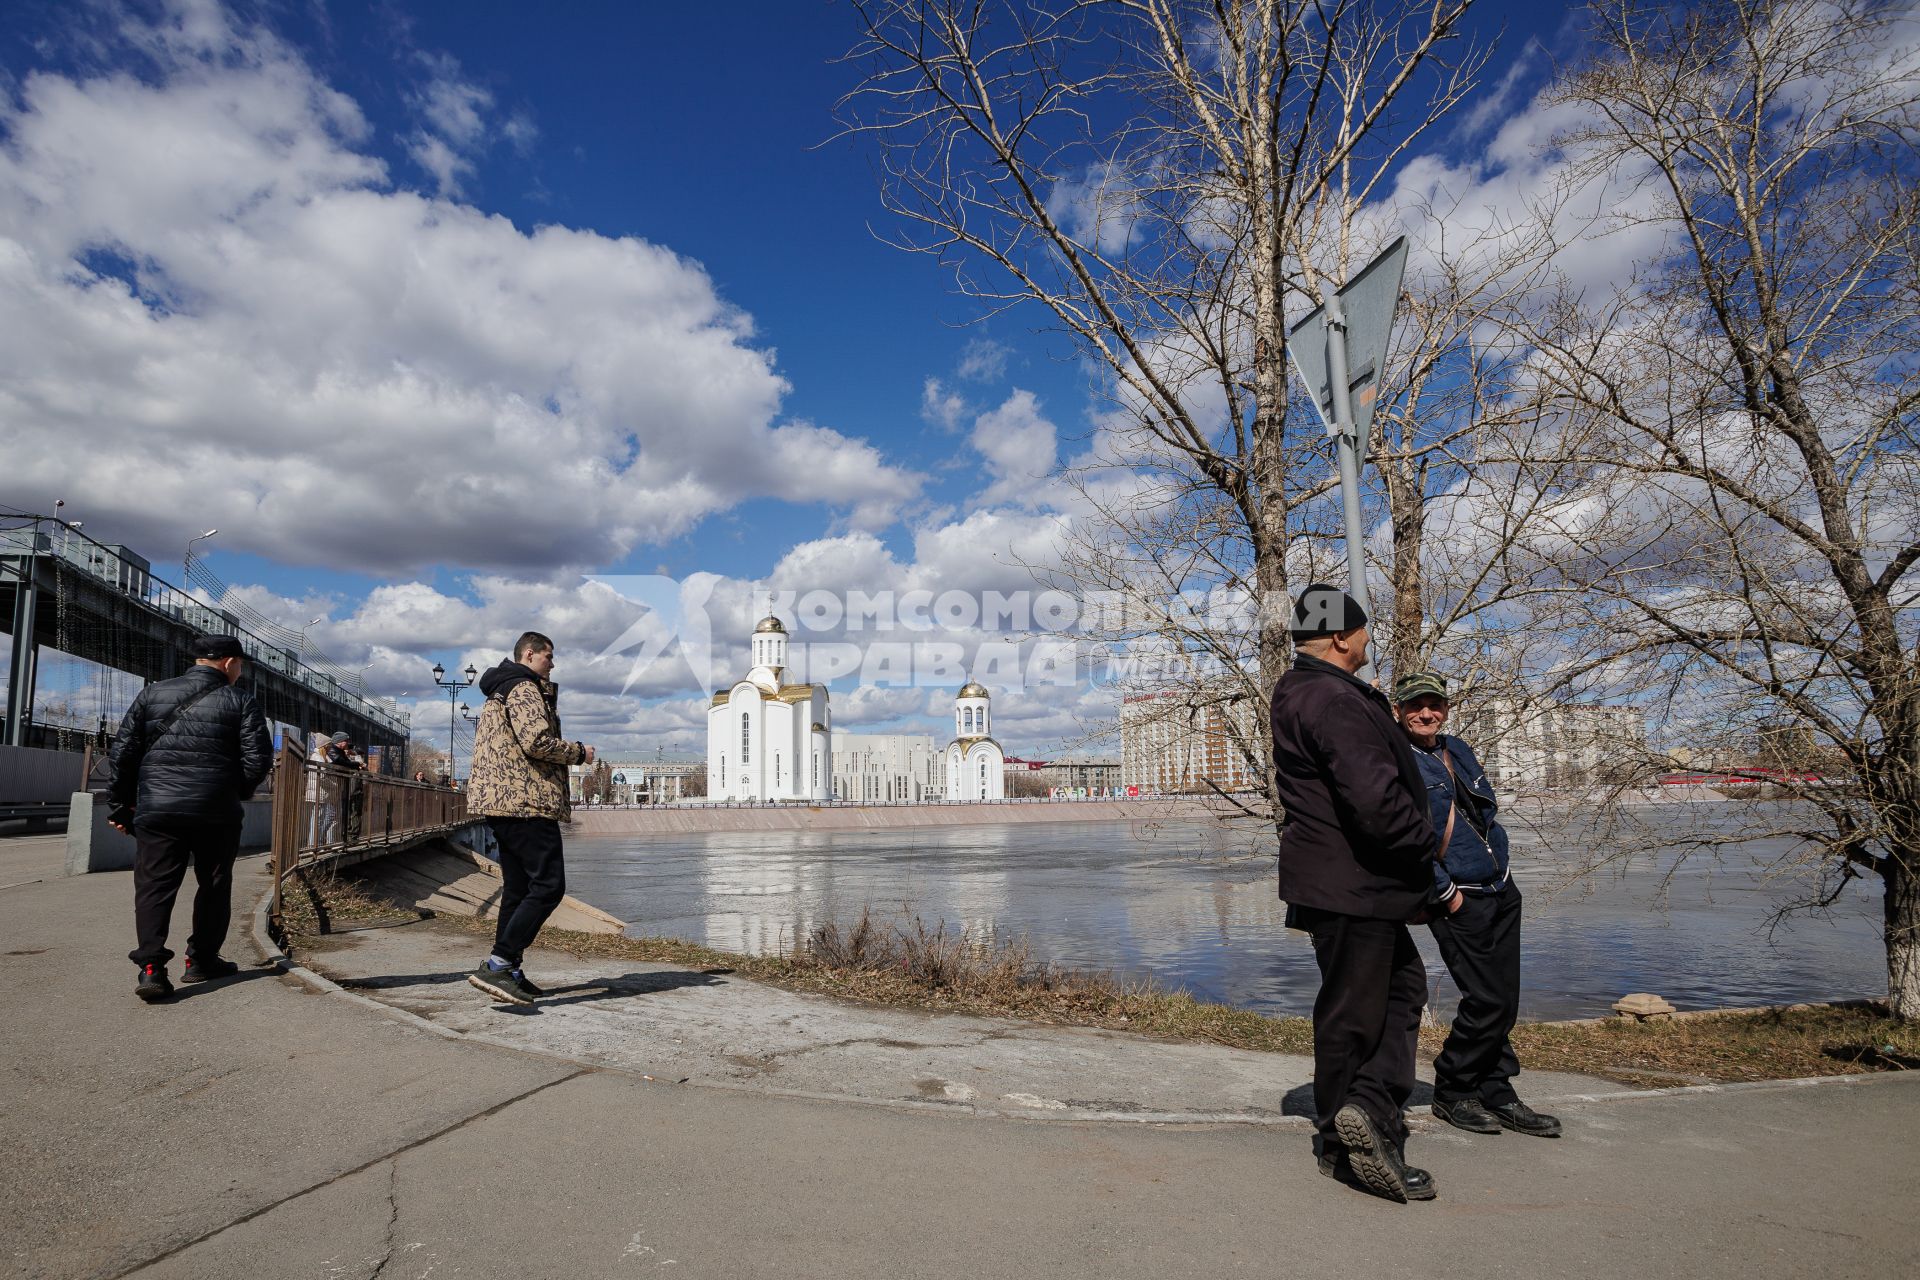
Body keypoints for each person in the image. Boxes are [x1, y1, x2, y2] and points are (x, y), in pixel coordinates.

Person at [1270, 584, 1438, 1202]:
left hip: (1342, 884)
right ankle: (1355, 1131)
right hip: (1357, 883)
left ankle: (1359, 1116)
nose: (1370, 641)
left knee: (1386, 994)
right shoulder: (1334, 699)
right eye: (1365, 631)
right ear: (1342, 637)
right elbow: (1374, 801)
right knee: (1361, 1009)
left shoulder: (1301, 691)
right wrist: (1426, 846)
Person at [1394, 671, 1561, 1139]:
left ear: (1445, 708)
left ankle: (1497, 1088)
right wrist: (1446, 893)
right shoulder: (1397, 761)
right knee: (1485, 997)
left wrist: (1504, 870)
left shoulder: (1458, 749)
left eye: (1434, 704)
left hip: (1500, 889)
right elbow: (1406, 837)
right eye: (1414, 705)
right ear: (1398, 711)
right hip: (1458, 897)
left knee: (1504, 998)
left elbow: (1486, 814)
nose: (1425, 713)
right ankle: (1453, 1087)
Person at [108, 633, 273, 1002]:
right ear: (230, 663)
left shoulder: (152, 694)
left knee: (154, 886)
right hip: (216, 811)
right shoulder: (241, 701)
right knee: (214, 885)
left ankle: (151, 968)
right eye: (240, 665)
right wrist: (234, 792)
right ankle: (201, 961)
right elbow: (257, 760)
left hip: (158, 809)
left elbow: (123, 753)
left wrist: (120, 805)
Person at [464, 631, 594, 1004]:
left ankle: (508, 969)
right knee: (549, 886)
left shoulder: (500, 690)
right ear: (530, 653)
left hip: (503, 801)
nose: (552, 664)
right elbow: (536, 741)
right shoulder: (523, 688)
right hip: (525, 800)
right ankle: (499, 963)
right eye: (548, 657)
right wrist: (579, 752)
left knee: (519, 889)